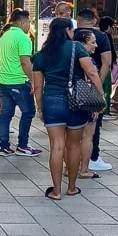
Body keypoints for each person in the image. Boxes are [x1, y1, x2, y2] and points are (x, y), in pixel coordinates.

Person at [33, 19, 103, 199]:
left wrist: (41, 107)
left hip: (52, 101)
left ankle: (56, 191)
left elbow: (38, 87)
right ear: (67, 31)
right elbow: (92, 73)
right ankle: (71, 187)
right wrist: (100, 97)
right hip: (76, 103)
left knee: (56, 147)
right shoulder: (76, 48)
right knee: (73, 146)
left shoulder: (41, 54)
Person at [0, 10, 41, 156]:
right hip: (19, 82)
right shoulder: (23, 38)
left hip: (3, 81)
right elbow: (25, 62)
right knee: (28, 112)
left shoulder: (4, 36)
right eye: (29, 22)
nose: (30, 26)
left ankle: (4, 146)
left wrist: (4, 72)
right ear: (22, 22)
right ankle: (23, 145)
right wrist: (33, 81)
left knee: (5, 114)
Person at [74, 9, 113, 174]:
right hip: (92, 85)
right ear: (94, 20)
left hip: (73, 86)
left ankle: (72, 164)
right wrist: (99, 85)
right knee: (93, 126)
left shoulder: (71, 35)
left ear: (78, 20)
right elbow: (107, 63)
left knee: (74, 127)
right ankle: (93, 158)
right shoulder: (102, 37)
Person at [99, 15, 118, 117]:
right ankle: (105, 111)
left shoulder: (98, 35)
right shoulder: (106, 37)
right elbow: (111, 52)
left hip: (99, 66)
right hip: (106, 66)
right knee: (106, 89)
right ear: (109, 27)